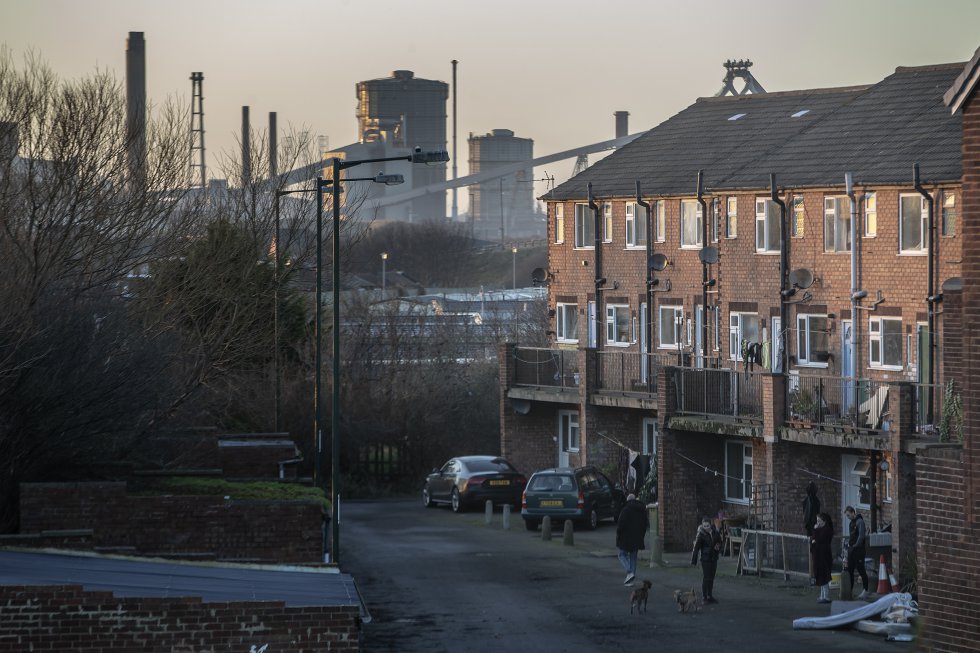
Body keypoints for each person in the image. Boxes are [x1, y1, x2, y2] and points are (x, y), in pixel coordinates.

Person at [616, 493, 649, 586]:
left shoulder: (626, 510)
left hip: (626, 538)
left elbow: (621, 524)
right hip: (637, 538)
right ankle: (630, 579)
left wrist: (618, 533)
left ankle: (629, 572)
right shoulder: (642, 511)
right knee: (633, 557)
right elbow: (645, 524)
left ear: (628, 500)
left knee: (622, 554)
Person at [691, 516, 722, 603]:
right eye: (704, 526)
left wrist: (718, 547)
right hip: (705, 558)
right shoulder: (701, 535)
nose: (706, 528)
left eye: (707, 526)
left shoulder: (715, 532)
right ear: (702, 525)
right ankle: (705, 597)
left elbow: (720, 542)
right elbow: (696, 548)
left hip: (714, 558)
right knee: (706, 578)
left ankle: (710, 595)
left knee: (712, 577)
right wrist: (694, 561)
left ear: (710, 524)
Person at [844, 506, 869, 599]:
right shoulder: (851, 523)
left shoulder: (860, 522)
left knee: (861, 570)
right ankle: (850, 591)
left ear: (853, 512)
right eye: (847, 516)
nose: (848, 517)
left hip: (859, 550)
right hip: (851, 550)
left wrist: (855, 545)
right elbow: (852, 536)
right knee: (850, 570)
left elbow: (861, 536)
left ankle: (865, 590)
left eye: (848, 515)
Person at [811, 512, 835, 603]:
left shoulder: (827, 530)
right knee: (820, 575)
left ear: (824, 521)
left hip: (824, 555)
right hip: (818, 555)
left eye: (819, 521)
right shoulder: (820, 529)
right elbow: (814, 539)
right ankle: (822, 595)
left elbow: (819, 539)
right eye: (817, 521)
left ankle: (826, 596)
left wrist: (815, 531)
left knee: (824, 575)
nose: (817, 523)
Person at [802, 481, 821, 584]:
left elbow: (807, 515)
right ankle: (813, 575)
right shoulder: (813, 501)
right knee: (813, 552)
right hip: (813, 528)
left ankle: (813, 575)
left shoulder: (809, 501)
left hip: (812, 529)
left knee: (813, 552)